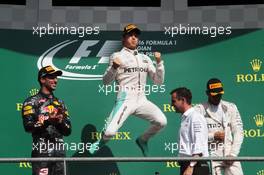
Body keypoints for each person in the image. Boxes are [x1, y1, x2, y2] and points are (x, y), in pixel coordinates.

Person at [89, 24, 167, 156]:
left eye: (136, 36)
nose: (134, 38)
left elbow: (158, 81)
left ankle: (142, 140)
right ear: (123, 39)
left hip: (142, 100)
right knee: (109, 133)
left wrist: (159, 63)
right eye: (130, 35)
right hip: (125, 100)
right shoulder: (117, 56)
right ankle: (101, 141)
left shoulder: (145, 58)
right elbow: (106, 82)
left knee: (162, 121)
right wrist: (113, 67)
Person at [22, 65, 71, 175]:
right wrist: (48, 121)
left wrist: (60, 122)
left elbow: (68, 131)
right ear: (42, 79)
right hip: (41, 154)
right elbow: (28, 127)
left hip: (59, 154)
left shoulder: (60, 103)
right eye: (52, 77)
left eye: (56, 78)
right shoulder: (31, 102)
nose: (55, 80)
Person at [195, 78, 244, 175]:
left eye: (220, 94)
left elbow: (238, 132)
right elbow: (195, 135)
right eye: (215, 95)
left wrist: (233, 154)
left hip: (230, 153)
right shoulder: (199, 109)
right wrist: (213, 136)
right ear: (207, 93)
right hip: (211, 154)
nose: (218, 97)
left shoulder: (231, 107)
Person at [170, 87, 210, 175]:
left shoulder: (195, 117)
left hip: (196, 167)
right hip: (188, 165)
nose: (171, 105)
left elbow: (199, 145)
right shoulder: (186, 118)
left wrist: (191, 166)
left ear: (183, 100)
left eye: (174, 101)